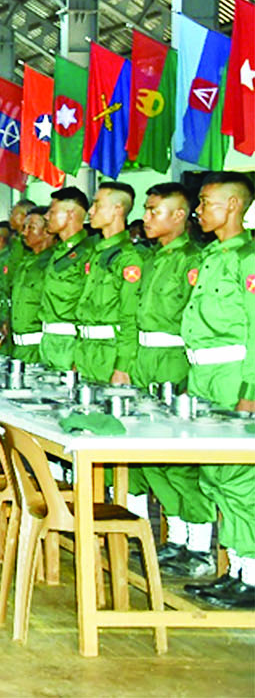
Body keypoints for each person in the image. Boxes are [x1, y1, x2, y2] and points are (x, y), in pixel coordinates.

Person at [131, 182, 215, 577]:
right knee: (150, 457)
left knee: (181, 461)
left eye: (154, 210)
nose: (146, 217)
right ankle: (176, 538)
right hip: (144, 360)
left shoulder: (192, 261)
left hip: (175, 361)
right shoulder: (151, 259)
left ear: (179, 215)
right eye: (146, 210)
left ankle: (200, 547)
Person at [180, 171, 255, 610]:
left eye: (206, 202)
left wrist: (250, 390)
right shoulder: (211, 256)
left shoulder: (249, 258)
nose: (198, 211)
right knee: (213, 475)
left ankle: (252, 575)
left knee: (239, 478)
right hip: (203, 375)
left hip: (233, 375)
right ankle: (237, 569)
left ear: (232, 206)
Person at [72, 182, 142, 385]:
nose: (91, 211)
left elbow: (130, 317)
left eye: (97, 204)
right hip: (85, 352)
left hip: (110, 355)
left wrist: (122, 366)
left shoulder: (128, 258)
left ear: (117, 209)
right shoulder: (96, 254)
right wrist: (77, 358)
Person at [38, 186, 95, 371]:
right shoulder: (58, 252)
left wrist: (80, 355)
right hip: (49, 341)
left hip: (71, 344)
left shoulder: (88, 252)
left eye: (52, 211)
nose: (46, 216)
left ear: (70, 215)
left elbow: (89, 304)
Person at [7, 206, 53, 362]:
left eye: (31, 228)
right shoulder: (25, 263)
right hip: (19, 349)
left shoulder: (52, 264)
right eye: (24, 227)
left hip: (40, 350)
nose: (24, 233)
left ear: (47, 231)